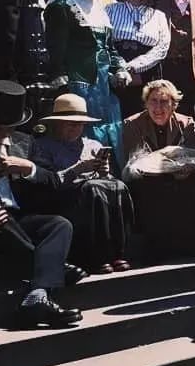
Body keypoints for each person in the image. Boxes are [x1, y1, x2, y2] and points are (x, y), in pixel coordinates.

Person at [0, 81, 82, 327]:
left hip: (19, 221)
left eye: (8, 128)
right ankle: (52, 268)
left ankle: (37, 296)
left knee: (59, 224)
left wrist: (30, 169)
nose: (1, 133)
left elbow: (52, 183)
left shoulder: (24, 143)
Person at [45, 0, 132, 166]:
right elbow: (56, 50)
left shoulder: (101, 8)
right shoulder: (62, 5)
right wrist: (63, 87)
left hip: (103, 88)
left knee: (111, 139)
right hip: (79, 88)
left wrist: (119, 68)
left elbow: (109, 48)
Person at [29, 93, 135, 274]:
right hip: (63, 199)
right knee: (92, 189)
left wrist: (104, 171)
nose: (75, 129)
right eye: (70, 124)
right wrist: (78, 169)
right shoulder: (42, 146)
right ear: (57, 123)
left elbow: (106, 179)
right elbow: (47, 181)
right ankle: (95, 255)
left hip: (94, 194)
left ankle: (117, 251)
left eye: (79, 124)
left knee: (117, 186)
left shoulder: (92, 144)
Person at [121, 79, 195, 261]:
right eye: (153, 101)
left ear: (174, 104)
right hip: (148, 176)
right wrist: (167, 159)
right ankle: (156, 245)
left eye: (164, 102)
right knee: (147, 183)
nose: (158, 108)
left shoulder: (185, 123)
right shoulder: (132, 124)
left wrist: (183, 166)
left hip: (179, 172)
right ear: (146, 104)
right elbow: (136, 160)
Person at [106, 0, 170, 119]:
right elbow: (104, 42)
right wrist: (120, 68)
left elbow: (162, 48)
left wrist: (134, 67)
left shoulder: (158, 16)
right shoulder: (110, 10)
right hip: (115, 72)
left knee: (144, 118)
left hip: (147, 74)